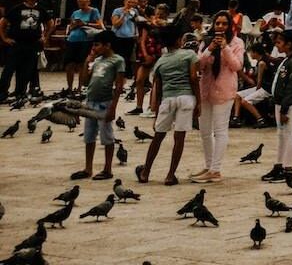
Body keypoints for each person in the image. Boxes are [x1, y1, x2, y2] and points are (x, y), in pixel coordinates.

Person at [137, 26, 200, 186]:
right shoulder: (189, 55)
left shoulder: (161, 61)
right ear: (180, 40)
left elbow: (157, 87)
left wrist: (156, 110)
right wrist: (199, 101)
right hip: (186, 98)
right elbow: (193, 78)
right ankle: (170, 175)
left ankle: (146, 172)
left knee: (158, 136)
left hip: (167, 99)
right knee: (179, 138)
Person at [193, 12, 245, 183]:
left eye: (224, 24)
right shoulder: (206, 42)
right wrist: (210, 49)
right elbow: (198, 64)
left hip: (224, 91)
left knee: (220, 130)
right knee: (204, 131)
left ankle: (216, 169)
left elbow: (236, 66)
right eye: (218, 23)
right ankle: (209, 165)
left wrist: (225, 48)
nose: (221, 27)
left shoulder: (237, 43)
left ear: (229, 26)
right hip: (206, 89)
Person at [76, 31, 125, 181]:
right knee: (89, 136)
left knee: (107, 137)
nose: (94, 48)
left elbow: (119, 85)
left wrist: (113, 107)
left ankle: (107, 169)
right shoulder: (96, 61)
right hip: (91, 101)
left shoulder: (117, 60)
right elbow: (85, 81)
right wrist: (87, 62)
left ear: (107, 45)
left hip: (105, 102)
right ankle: (88, 168)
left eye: (97, 45)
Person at [262, 29, 292, 184]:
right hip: (280, 103)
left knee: (288, 134)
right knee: (281, 135)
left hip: (286, 105)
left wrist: (285, 109)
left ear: (288, 44)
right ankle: (279, 165)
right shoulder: (286, 60)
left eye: (279, 42)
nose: (276, 44)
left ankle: (288, 168)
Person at [0, 0, 53, 100]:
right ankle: (2, 93)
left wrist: (45, 37)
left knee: (26, 70)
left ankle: (20, 92)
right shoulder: (17, 8)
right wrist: (4, 38)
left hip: (33, 44)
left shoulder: (41, 10)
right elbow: (3, 22)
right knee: (9, 69)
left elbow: (50, 23)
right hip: (16, 43)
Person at [62, 0, 103, 95]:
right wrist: (74, 25)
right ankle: (70, 88)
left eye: (84, 3)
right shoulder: (75, 13)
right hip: (72, 39)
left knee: (82, 65)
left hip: (85, 40)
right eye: (80, 2)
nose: (82, 5)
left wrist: (85, 23)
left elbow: (100, 25)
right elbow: (70, 26)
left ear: (88, 2)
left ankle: (80, 87)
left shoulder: (93, 11)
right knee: (69, 65)